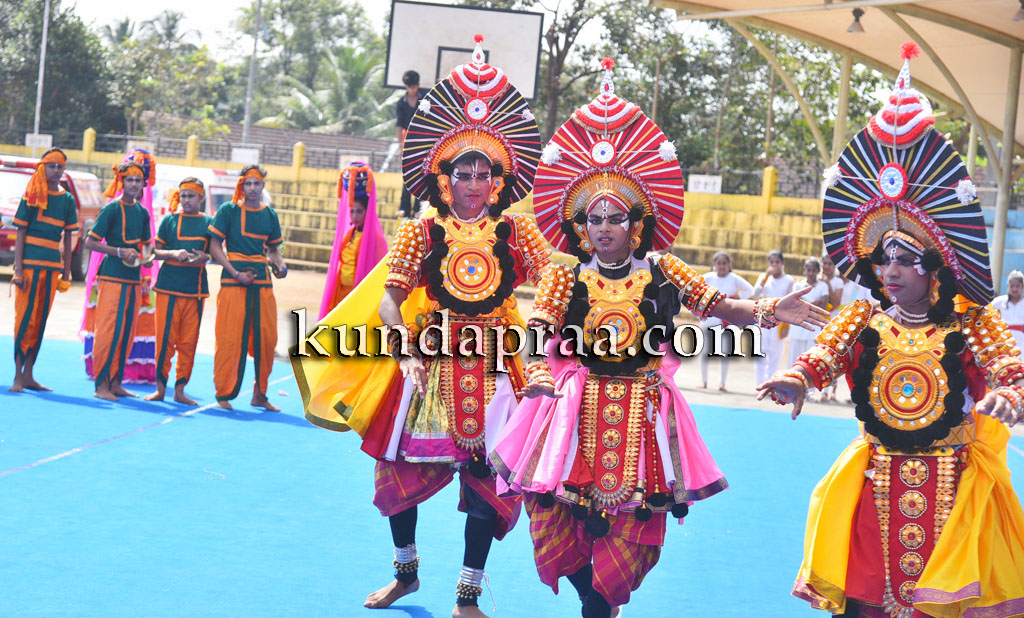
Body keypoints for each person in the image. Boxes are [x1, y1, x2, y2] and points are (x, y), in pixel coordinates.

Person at [489, 57, 829, 618]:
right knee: (556, 523)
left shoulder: (665, 270)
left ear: (636, 223)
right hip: (574, 414)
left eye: (614, 217)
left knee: (632, 539)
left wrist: (771, 308)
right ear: (580, 226)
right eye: (593, 218)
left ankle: (602, 603)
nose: (603, 227)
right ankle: (593, 602)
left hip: (643, 416)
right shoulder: (564, 275)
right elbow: (538, 330)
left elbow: (722, 307)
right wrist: (542, 370)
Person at [758, 43, 1024, 618]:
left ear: (934, 267)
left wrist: (1009, 395)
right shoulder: (862, 318)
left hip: (951, 491)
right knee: (868, 604)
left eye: (905, 260)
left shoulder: (970, 319)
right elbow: (822, 357)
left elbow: (1012, 370)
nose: (891, 271)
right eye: (884, 260)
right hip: (875, 484)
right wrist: (796, 380)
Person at [292, 36, 549, 618]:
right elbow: (390, 302)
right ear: (444, 175)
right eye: (463, 172)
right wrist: (405, 349)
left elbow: (556, 287)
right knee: (396, 472)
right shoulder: (421, 231)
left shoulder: (518, 232)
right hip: (429, 364)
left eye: (484, 173)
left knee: (486, 482)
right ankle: (405, 574)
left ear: (498, 178)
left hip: (497, 369)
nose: (474, 183)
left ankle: (467, 596)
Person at [207, 164, 287, 411]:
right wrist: (235, 272)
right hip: (233, 282)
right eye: (248, 183)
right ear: (241, 185)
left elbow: (273, 250)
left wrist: (280, 265)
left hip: (262, 283)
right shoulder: (228, 211)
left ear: (263, 185)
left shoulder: (270, 215)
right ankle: (223, 393)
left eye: (257, 183)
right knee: (229, 337)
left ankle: (260, 394)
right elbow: (214, 246)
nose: (252, 188)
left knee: (267, 340)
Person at [83, 149, 159, 385]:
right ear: (121, 182)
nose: (134, 184)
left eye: (138, 180)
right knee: (109, 330)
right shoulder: (112, 209)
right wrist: (119, 252)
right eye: (130, 180)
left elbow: (147, 246)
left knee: (127, 330)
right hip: (112, 277)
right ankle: (102, 384)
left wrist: (151, 258)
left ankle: (116, 382)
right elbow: (90, 242)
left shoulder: (142, 212)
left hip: (133, 279)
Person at [9, 148, 78, 393]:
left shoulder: (67, 199)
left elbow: (68, 236)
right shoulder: (32, 193)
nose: (56, 170)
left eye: (60, 167)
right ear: (42, 167)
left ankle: (29, 375)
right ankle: (18, 376)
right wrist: (18, 270)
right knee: (25, 319)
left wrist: (66, 273)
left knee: (40, 321)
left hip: (51, 268)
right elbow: (20, 232)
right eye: (52, 166)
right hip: (29, 266)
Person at [143, 178, 212, 405]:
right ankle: (160, 388)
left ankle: (180, 390)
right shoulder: (170, 221)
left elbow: (216, 253)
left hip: (195, 291)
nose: (187, 200)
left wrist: (206, 257)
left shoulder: (209, 223)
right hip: (168, 287)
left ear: (201, 198)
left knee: (188, 342)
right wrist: (173, 253)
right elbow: (154, 252)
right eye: (183, 195)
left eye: (191, 196)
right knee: (165, 340)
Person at [318, 161, 387, 319]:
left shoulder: (375, 237)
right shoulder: (350, 234)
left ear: (367, 212)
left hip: (357, 295)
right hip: (341, 291)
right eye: (352, 211)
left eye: (359, 211)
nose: (354, 215)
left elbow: (379, 273)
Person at [698, 250, 753, 391]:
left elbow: (750, 290)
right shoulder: (708, 277)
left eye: (724, 263)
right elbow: (695, 287)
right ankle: (704, 381)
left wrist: (737, 299)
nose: (721, 266)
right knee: (705, 351)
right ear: (714, 264)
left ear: (729, 264)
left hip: (726, 320)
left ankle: (722, 383)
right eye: (719, 263)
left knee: (725, 352)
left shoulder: (733, 278)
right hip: (709, 318)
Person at [787, 258, 830, 400]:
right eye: (808, 270)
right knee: (793, 359)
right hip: (797, 326)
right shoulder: (798, 285)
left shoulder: (823, 286)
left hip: (813, 327)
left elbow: (824, 303)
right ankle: (790, 388)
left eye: (813, 270)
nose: (811, 273)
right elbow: (794, 303)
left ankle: (809, 391)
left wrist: (805, 304)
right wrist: (812, 304)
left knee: (810, 361)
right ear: (805, 270)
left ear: (818, 271)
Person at [752, 249, 794, 385]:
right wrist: (765, 278)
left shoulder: (788, 280)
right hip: (763, 318)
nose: (774, 265)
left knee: (775, 355)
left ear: (782, 263)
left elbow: (789, 299)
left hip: (778, 320)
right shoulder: (764, 277)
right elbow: (755, 293)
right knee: (760, 353)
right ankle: (760, 383)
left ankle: (770, 384)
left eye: (777, 262)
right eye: (772, 262)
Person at [396, 69, 424, 218]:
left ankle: (419, 207)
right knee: (407, 173)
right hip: (407, 141)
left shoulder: (425, 100)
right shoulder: (401, 103)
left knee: (422, 173)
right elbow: (399, 125)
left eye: (414, 87)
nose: (412, 90)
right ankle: (404, 207)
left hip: (423, 140)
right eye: (409, 87)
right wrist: (400, 146)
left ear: (418, 85)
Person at [821, 251, 847, 401]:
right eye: (825, 263)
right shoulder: (816, 279)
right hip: (818, 321)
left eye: (830, 264)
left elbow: (836, 303)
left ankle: (827, 391)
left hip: (833, 322)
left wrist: (828, 284)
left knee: (830, 357)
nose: (827, 266)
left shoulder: (838, 282)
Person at [993, 270, 1024, 351]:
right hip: (1004, 339)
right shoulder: (1000, 301)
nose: (1014, 289)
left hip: (1021, 341)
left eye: (1017, 286)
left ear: (1022, 287)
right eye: (1012, 286)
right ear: (1008, 286)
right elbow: (987, 309)